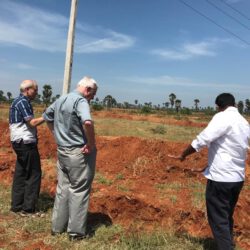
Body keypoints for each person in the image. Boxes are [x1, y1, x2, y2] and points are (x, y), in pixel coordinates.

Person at [169, 93, 250, 250]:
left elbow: (202, 139)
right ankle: (229, 242)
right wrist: (208, 166)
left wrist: (183, 155)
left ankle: (226, 246)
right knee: (226, 215)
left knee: (218, 219)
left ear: (218, 107)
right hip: (237, 179)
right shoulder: (243, 122)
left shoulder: (221, 117)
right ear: (234, 104)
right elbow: (233, 150)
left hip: (221, 179)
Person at [43, 76, 98, 241]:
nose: (92, 98)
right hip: (78, 154)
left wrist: (56, 135)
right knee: (79, 190)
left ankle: (57, 228)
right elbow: (87, 122)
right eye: (92, 94)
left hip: (62, 152)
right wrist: (91, 144)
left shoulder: (62, 99)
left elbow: (47, 116)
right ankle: (75, 233)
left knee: (63, 189)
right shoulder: (80, 101)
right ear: (87, 90)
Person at [9, 79, 45, 216]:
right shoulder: (23, 102)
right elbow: (32, 123)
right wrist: (47, 116)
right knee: (33, 174)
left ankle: (16, 206)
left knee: (21, 172)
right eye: (35, 89)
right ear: (27, 90)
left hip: (18, 142)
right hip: (26, 143)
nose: (37, 92)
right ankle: (28, 209)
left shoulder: (16, 101)